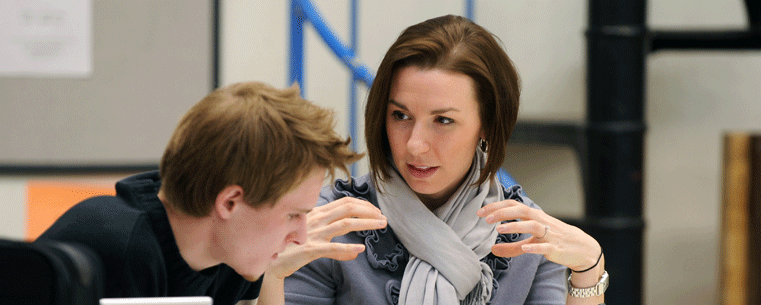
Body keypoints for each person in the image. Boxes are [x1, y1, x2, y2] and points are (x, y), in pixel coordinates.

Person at [260, 14, 607, 305]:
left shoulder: (526, 236)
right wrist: (273, 275)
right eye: (400, 116)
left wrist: (589, 269)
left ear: (486, 125)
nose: (415, 145)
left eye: (443, 121)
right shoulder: (330, 226)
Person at [36, 81, 363, 305]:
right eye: (293, 215)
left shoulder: (232, 253)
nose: (301, 236)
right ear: (230, 202)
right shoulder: (123, 250)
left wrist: (273, 274)